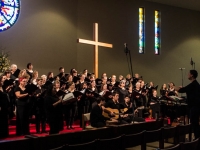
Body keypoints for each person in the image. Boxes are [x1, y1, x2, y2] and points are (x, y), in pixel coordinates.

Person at [177, 70, 200, 139]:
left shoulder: (193, 84)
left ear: (192, 75)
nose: (188, 74)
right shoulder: (196, 84)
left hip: (194, 107)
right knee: (195, 124)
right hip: (196, 107)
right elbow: (187, 89)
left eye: (189, 73)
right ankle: (197, 139)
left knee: (195, 124)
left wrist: (174, 87)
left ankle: (197, 140)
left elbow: (181, 90)